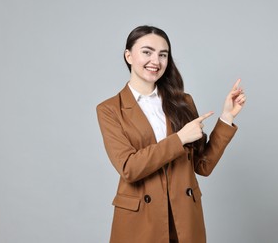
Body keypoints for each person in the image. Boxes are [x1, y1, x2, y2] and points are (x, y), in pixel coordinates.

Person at [96, 25, 246, 243]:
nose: (156, 61)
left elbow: (203, 165)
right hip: (140, 222)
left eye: (163, 55)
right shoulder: (109, 109)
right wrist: (180, 139)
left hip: (184, 218)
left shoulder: (182, 102)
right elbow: (129, 168)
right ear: (128, 56)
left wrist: (226, 118)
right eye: (147, 52)